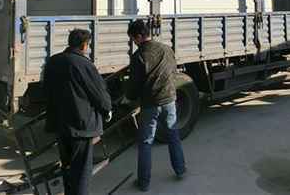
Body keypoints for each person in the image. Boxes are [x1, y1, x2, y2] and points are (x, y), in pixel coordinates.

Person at [43, 29, 112, 195]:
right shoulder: (84, 64)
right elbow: (98, 93)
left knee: (67, 167)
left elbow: (45, 89)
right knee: (81, 171)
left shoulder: (53, 61)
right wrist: (107, 110)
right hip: (80, 126)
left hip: (60, 124)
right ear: (84, 45)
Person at [126, 19, 186, 192]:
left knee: (146, 142)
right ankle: (180, 170)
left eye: (133, 39)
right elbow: (173, 71)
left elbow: (134, 85)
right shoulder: (166, 49)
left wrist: (129, 97)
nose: (133, 42)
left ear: (139, 36)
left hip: (150, 104)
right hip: (169, 99)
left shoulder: (138, 56)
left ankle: (144, 182)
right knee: (173, 135)